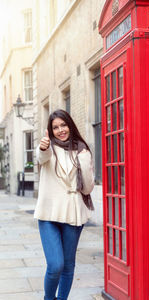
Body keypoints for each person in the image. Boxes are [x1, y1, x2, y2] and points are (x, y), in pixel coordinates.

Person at [34, 109, 95, 300]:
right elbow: (41, 157)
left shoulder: (81, 149)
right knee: (55, 265)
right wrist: (43, 148)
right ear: (50, 131)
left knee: (68, 266)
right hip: (48, 215)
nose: (60, 130)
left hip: (73, 214)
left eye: (63, 125)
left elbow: (87, 189)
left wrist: (84, 162)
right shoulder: (47, 148)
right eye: (55, 127)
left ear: (70, 125)